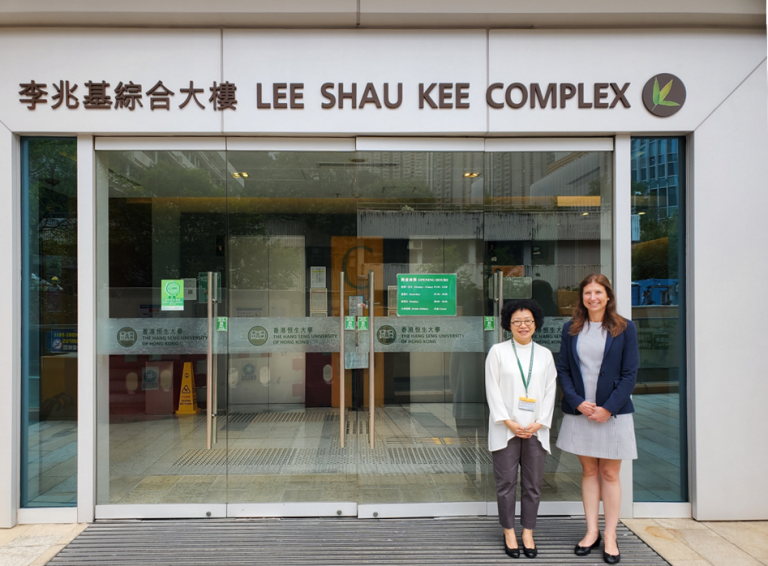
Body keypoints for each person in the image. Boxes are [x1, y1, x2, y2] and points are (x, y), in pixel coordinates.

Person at [556, 274, 639, 565]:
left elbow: (630, 374)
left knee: (610, 474)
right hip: (582, 412)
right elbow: (563, 370)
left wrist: (609, 408)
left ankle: (611, 535)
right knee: (589, 472)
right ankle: (591, 531)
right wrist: (577, 402)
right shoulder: (571, 329)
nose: (593, 297)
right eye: (587, 292)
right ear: (582, 297)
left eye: (598, 292)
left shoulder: (625, 328)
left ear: (608, 296)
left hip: (612, 414)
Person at [485, 299, 557, 559]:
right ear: (508, 324)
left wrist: (539, 422)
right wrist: (508, 421)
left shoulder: (545, 355)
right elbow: (492, 390)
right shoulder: (498, 351)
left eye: (528, 321)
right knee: (505, 483)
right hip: (506, 428)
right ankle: (508, 530)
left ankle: (528, 530)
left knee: (533, 484)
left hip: (536, 429)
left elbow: (550, 392)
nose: (523, 325)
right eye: (517, 321)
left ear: (536, 323)